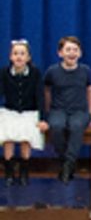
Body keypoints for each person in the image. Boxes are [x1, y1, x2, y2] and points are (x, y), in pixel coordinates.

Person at [42, 36, 91, 183]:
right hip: (58, 110)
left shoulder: (85, 71)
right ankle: (65, 160)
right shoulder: (52, 71)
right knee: (57, 126)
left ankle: (68, 164)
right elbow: (46, 90)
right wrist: (47, 110)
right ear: (60, 53)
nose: (72, 53)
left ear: (80, 53)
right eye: (68, 49)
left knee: (76, 126)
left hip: (80, 111)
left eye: (75, 50)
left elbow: (90, 90)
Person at [2, 39, 46, 186]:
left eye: (22, 53)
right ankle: (8, 172)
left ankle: (24, 171)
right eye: (15, 53)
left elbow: (40, 96)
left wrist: (43, 118)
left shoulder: (35, 73)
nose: (19, 57)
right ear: (10, 56)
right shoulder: (4, 73)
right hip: (10, 111)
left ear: (28, 57)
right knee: (7, 137)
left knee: (25, 138)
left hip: (29, 112)